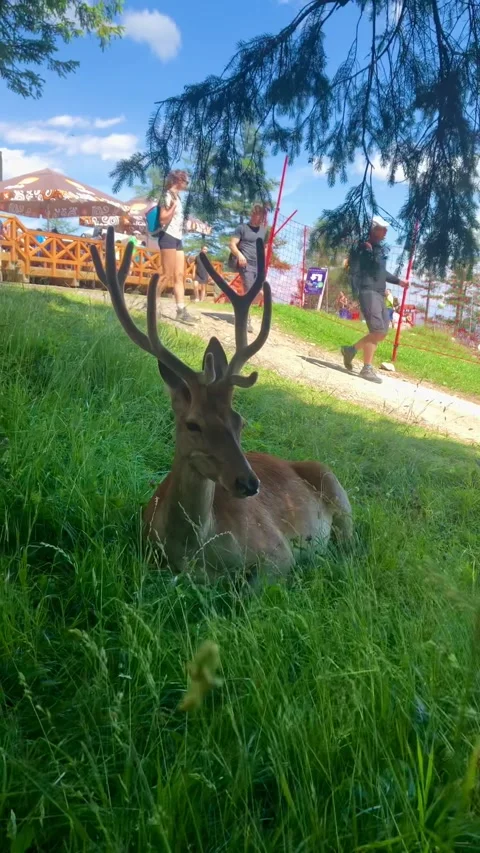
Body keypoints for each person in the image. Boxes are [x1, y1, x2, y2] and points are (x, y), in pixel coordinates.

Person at [341, 215, 407, 384]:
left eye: (386, 229)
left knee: (382, 332)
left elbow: (381, 272)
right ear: (373, 229)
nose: (385, 231)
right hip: (368, 292)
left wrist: (399, 281)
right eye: (382, 228)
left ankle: (351, 350)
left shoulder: (378, 249)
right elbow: (354, 269)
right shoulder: (364, 247)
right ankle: (366, 368)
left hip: (379, 293)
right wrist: (356, 291)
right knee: (377, 330)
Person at [157, 169, 198, 325]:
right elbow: (162, 219)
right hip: (167, 236)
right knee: (166, 274)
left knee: (179, 275)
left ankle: (181, 310)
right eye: (186, 181)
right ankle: (152, 303)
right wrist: (173, 207)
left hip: (178, 238)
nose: (187, 184)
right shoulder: (166, 196)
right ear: (178, 180)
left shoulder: (178, 197)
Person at [229, 204, 267, 333]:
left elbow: (264, 247)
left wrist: (263, 262)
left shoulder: (263, 231)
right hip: (245, 264)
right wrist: (240, 255)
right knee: (249, 290)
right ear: (252, 214)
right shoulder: (242, 228)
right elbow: (232, 244)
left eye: (261, 215)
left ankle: (240, 309)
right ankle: (246, 320)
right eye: (257, 214)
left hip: (258, 266)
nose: (259, 217)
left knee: (259, 294)